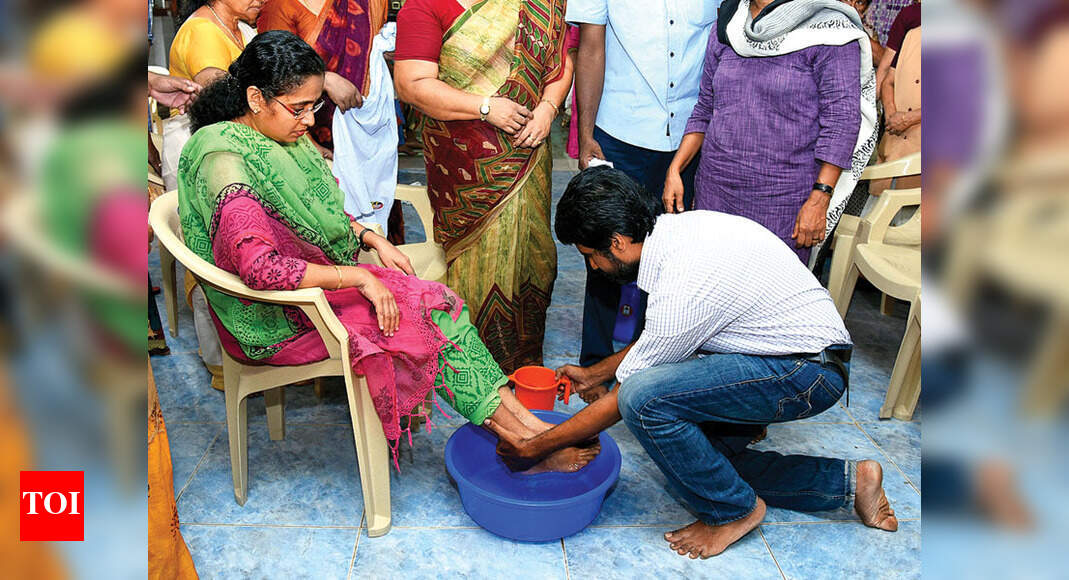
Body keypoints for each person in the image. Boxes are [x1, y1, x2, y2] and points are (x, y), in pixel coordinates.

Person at [180, 31, 598, 470]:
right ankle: (528, 440)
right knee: (426, 321)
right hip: (274, 316)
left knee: (443, 308)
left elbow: (315, 211)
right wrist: (359, 276)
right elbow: (261, 269)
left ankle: (532, 434)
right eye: (298, 108)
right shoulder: (224, 160)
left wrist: (370, 238)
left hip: (312, 288)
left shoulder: (278, 136)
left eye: (314, 105)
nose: (308, 120)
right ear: (255, 98)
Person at [493, 167, 899, 559]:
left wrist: (537, 445)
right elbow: (662, 343)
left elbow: (626, 398)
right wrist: (594, 373)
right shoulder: (678, 232)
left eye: (590, 256)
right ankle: (851, 482)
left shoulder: (682, 286)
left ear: (617, 243)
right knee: (706, 463)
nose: (593, 268)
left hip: (805, 372)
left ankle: (733, 513)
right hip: (783, 354)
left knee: (642, 400)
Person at [393, 0, 572, 373]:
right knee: (477, 265)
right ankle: (473, 372)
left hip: (529, 153)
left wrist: (548, 109)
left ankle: (523, 363)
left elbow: (560, 60)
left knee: (533, 258)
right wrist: (486, 107)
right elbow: (411, 84)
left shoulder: (536, 3)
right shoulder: (425, 6)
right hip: (466, 170)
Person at [663, 0, 877, 267]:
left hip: (783, 202)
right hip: (715, 191)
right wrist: (675, 169)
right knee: (712, 286)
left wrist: (820, 198)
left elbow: (841, 123)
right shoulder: (730, 25)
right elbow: (705, 106)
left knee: (772, 297)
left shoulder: (829, 30)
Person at [566, 0, 716, 377]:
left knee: (670, 255)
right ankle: (596, 364)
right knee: (605, 249)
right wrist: (585, 134)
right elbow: (591, 48)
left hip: (688, 137)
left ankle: (648, 360)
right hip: (619, 129)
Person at [257, 0, 404, 236]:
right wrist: (324, 79)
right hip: (307, 137)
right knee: (322, 232)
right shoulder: (281, 6)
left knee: (378, 219)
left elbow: (373, 49)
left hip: (369, 135)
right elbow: (270, 71)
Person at [874, 0, 921, 193]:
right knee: (877, 210)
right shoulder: (911, 27)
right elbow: (888, 77)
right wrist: (892, 116)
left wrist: (910, 117)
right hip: (894, 136)